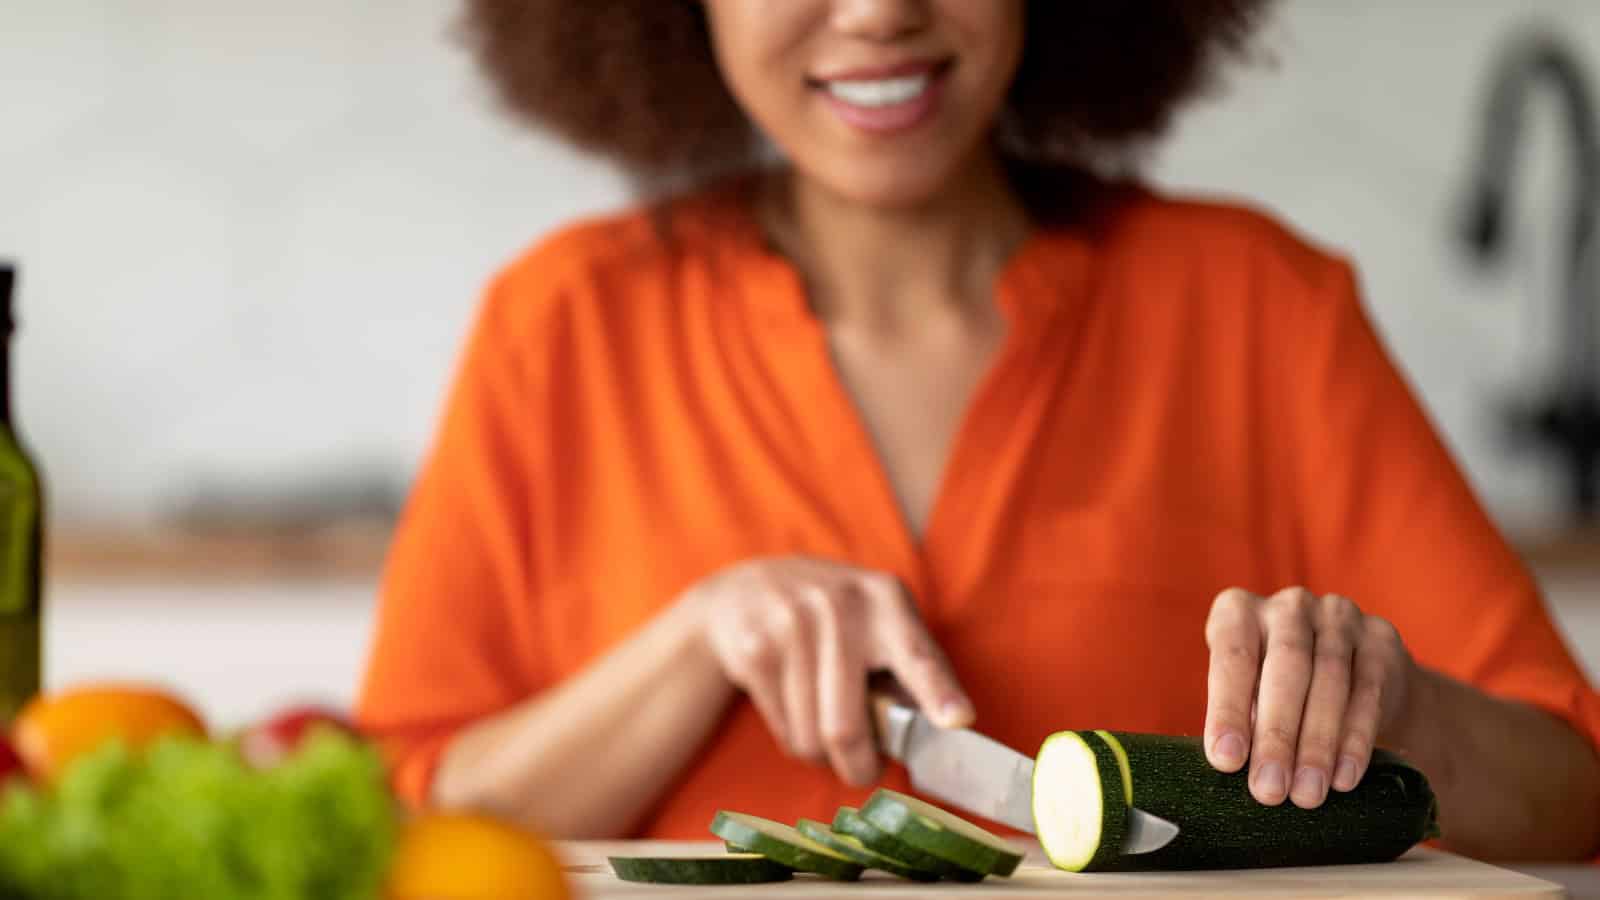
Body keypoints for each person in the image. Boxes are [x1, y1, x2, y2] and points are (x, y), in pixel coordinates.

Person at [357, 0, 1600, 861]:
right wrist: (689, 646)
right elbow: (405, 813)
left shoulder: (1259, 306)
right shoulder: (558, 323)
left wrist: (1396, 711)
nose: (878, 11)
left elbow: (1571, 795)